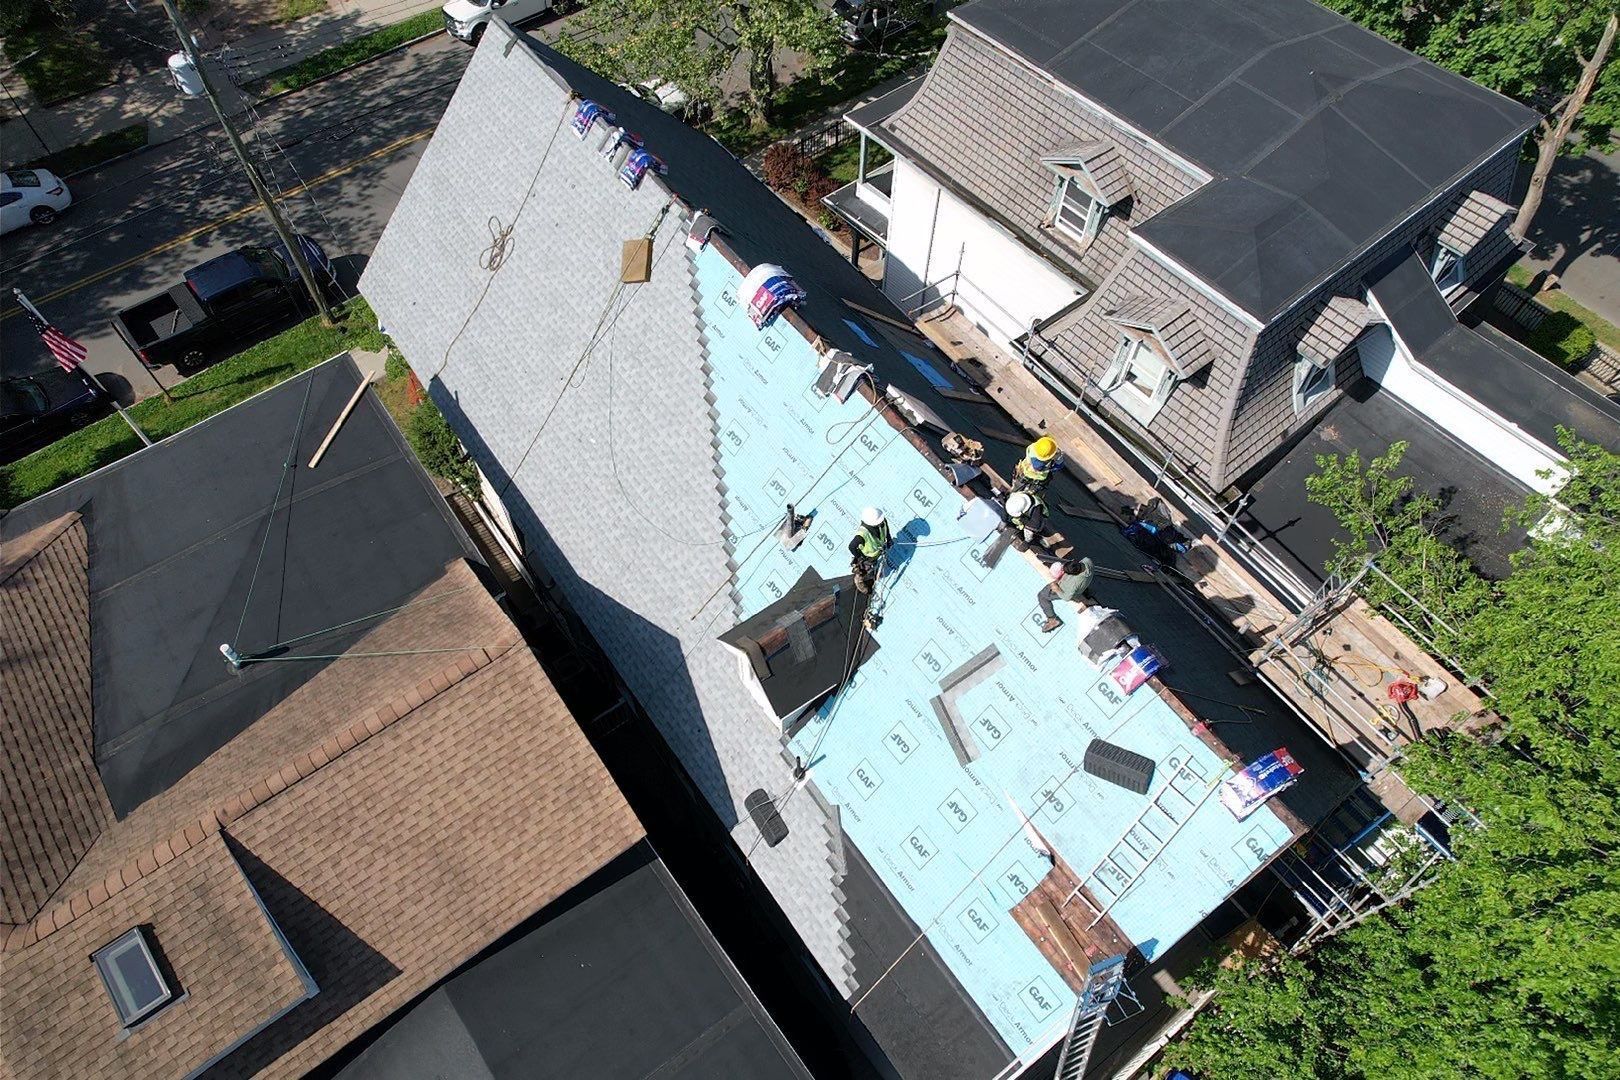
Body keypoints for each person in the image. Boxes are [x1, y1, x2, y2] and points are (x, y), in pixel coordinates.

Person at [1036, 557, 1094, 633]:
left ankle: (1053, 620)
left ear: (1074, 574)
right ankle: (1083, 599)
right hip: (1081, 586)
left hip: (1064, 589)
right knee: (1076, 593)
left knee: (1042, 596)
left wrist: (1057, 589)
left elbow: (1066, 597)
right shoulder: (1087, 561)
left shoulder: (1074, 584)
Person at [849, 507, 892, 593]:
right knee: (862, 573)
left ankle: (872, 574)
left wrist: (889, 539)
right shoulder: (863, 533)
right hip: (867, 557)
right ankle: (865, 590)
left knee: (873, 567)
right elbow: (852, 546)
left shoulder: (881, 521)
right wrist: (860, 557)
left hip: (876, 553)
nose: (880, 522)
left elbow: (886, 528)